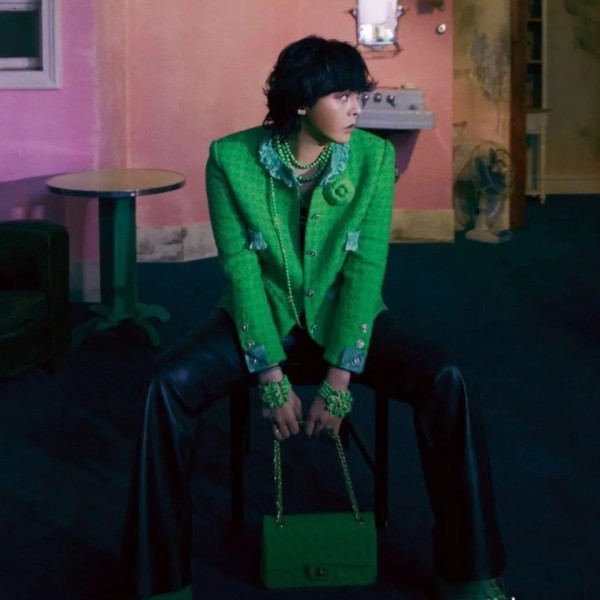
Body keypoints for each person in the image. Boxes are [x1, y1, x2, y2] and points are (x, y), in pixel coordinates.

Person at [121, 36, 509, 600]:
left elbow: (367, 267)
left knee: (449, 379)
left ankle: (468, 571)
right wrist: (270, 376)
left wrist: (340, 379)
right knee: (165, 385)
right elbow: (241, 271)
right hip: (265, 314)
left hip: (343, 316)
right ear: (302, 100)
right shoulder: (230, 158)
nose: (357, 109)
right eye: (343, 96)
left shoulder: (374, 158)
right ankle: (159, 581)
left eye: (359, 96)